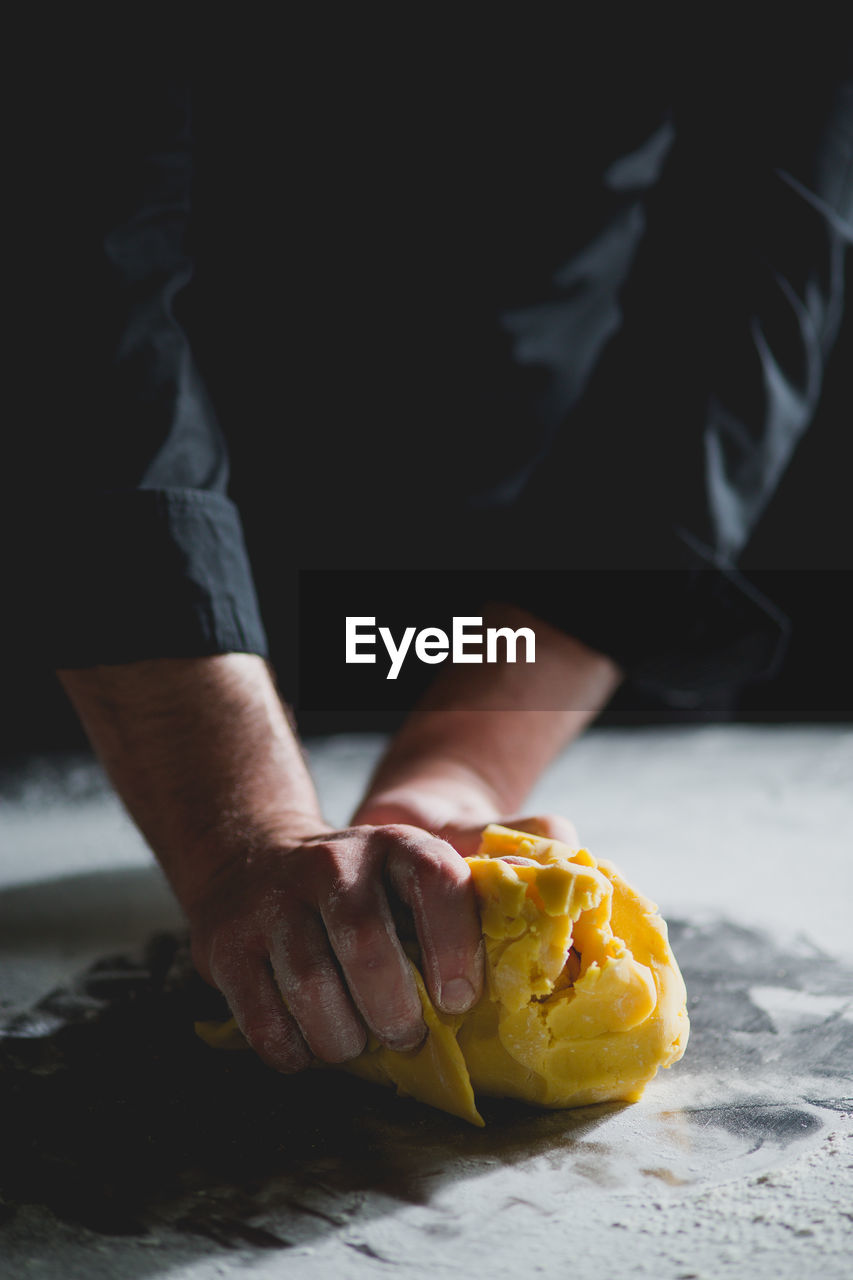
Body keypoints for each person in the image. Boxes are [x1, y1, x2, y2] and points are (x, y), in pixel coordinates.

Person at [22, 23, 852, 1073]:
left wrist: (458, 772)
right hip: (132, 599)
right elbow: (72, 260)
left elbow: (750, 275)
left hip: (538, 565)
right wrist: (242, 829)